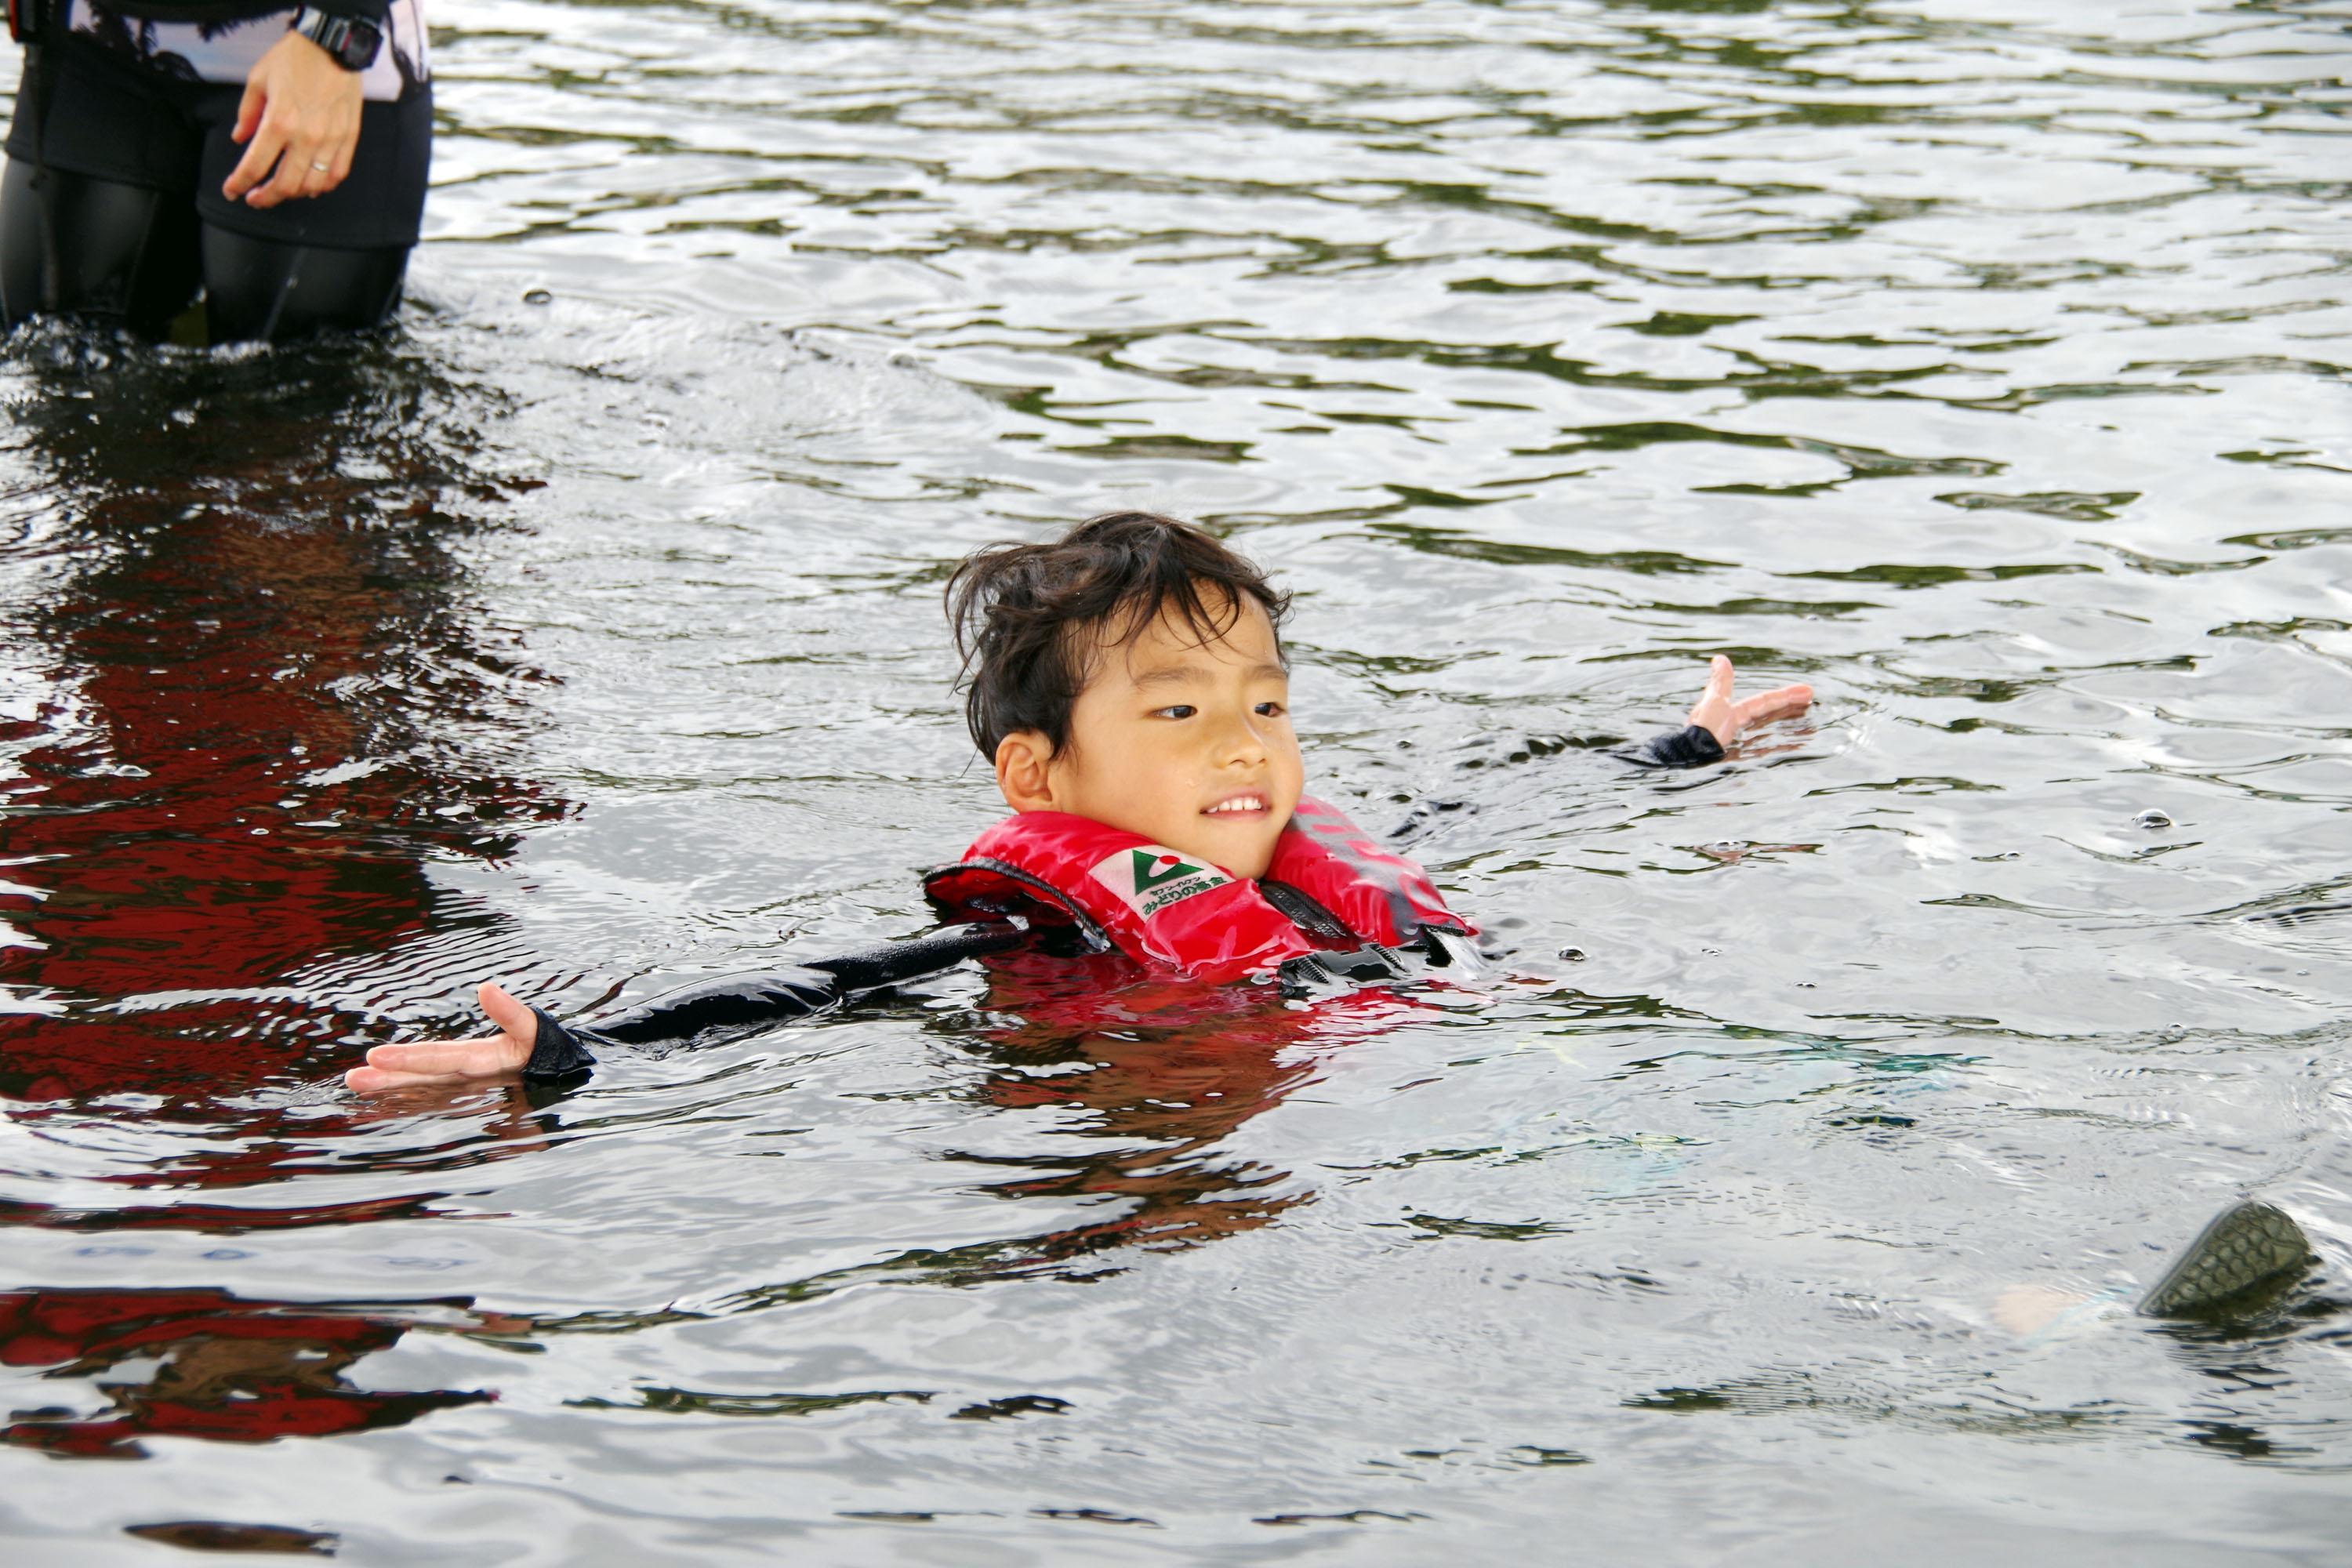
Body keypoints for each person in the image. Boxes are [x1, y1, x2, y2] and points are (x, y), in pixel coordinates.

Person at [343, 512, 1816, 1094]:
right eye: (1179, 714)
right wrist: (576, 1055)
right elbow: (814, 989)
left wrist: (1689, 748)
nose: (1242, 746)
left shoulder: (1325, 868)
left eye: (1265, 706)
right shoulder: (1038, 941)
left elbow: (1504, 808)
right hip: (1134, 1128)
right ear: (1043, 781)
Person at [0, 0, 429, 342]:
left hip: (314, 49)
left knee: (292, 400)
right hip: (94, 38)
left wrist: (337, 30)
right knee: (54, 371)